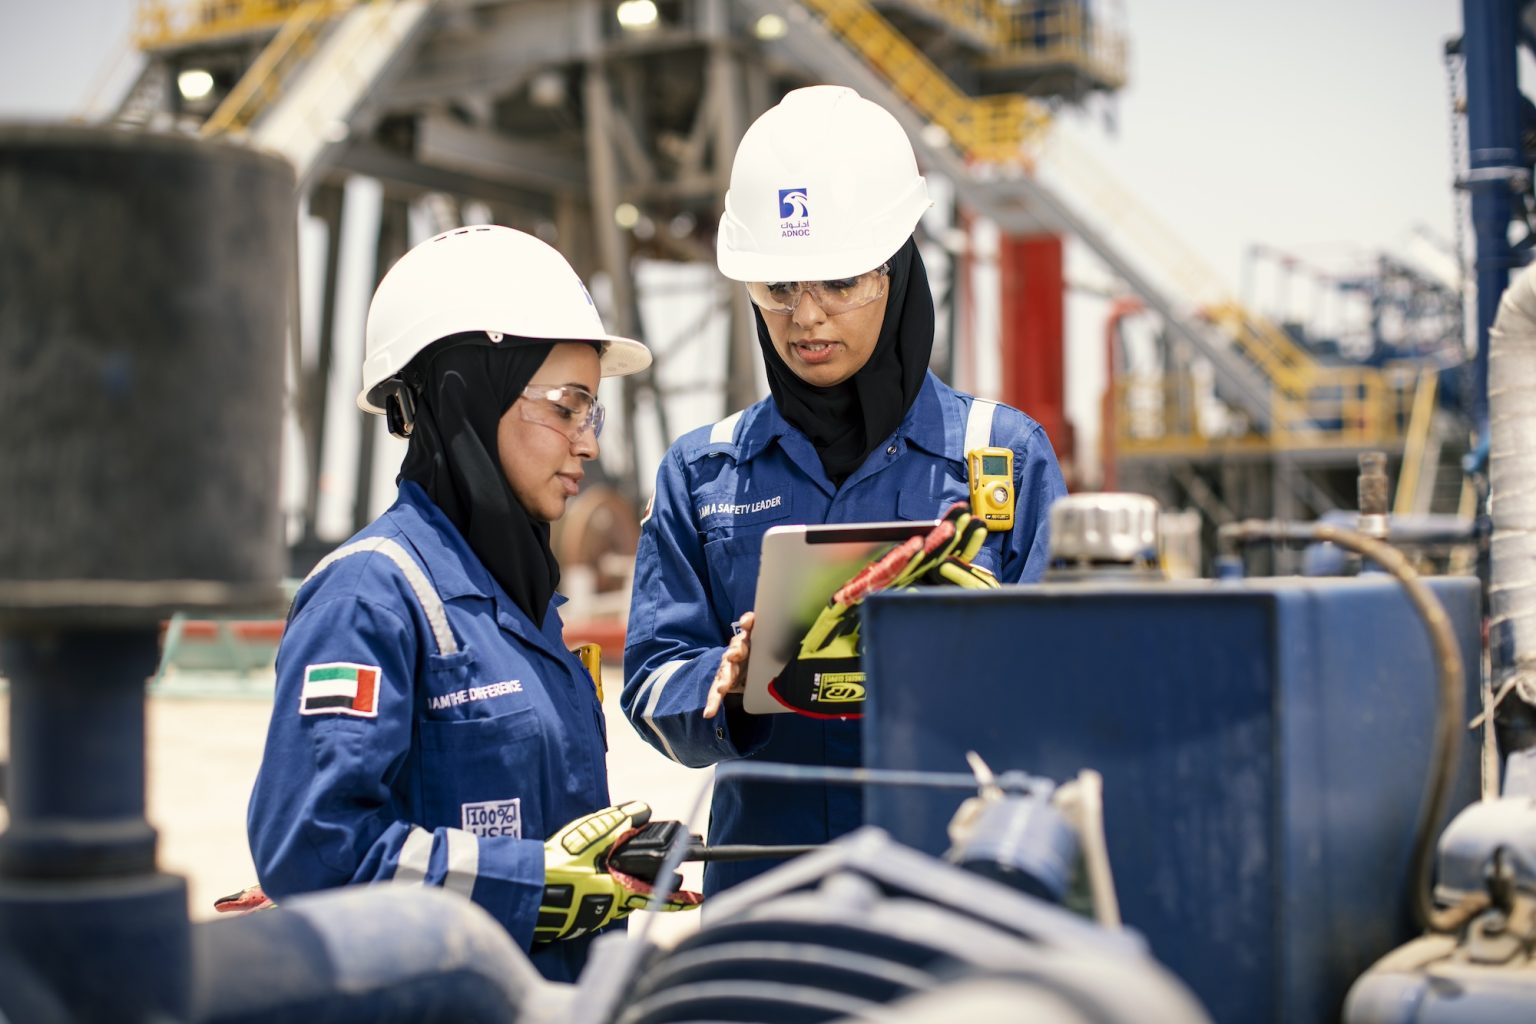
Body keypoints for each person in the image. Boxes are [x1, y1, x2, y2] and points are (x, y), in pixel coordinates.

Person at [621, 85, 1069, 894]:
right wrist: (726, 687)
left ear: (897, 273)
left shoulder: (1002, 457)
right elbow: (650, 682)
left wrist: (976, 657)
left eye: (837, 282)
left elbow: (1073, 692)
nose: (805, 319)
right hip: (766, 905)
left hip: (951, 897)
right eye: (778, 288)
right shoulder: (703, 472)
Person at [247, 225, 695, 983]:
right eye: (567, 406)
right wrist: (537, 883)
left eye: (595, 413)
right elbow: (315, 850)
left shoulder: (522, 606)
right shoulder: (370, 598)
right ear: (466, 399)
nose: (588, 443)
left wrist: (598, 869)